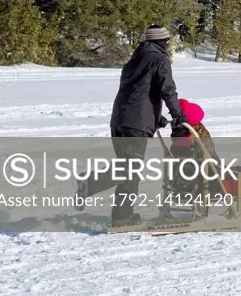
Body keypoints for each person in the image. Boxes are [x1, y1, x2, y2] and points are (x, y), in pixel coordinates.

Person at [78, 25, 188, 226]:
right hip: (135, 124)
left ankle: (92, 186)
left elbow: (137, 93)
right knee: (130, 171)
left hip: (119, 120)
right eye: (165, 41)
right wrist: (178, 116)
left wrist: (156, 118)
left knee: (126, 168)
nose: (167, 44)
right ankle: (121, 216)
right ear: (159, 42)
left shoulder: (132, 62)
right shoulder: (160, 60)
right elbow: (168, 90)